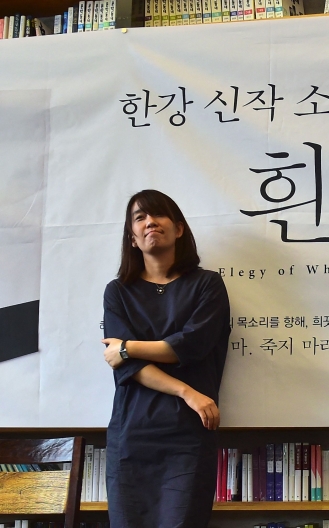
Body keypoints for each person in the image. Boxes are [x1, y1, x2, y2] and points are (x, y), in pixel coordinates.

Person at [101, 190, 231, 527]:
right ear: (132, 237)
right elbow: (129, 368)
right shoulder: (118, 291)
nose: (149, 222)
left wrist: (127, 347)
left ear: (179, 229)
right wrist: (186, 392)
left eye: (157, 215)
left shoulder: (207, 284)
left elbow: (190, 345)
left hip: (188, 434)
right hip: (132, 433)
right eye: (139, 218)